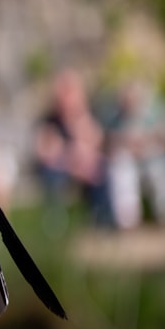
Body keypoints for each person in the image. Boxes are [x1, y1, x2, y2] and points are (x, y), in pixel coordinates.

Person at [34, 69, 110, 225]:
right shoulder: (50, 120)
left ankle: (101, 219)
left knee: (101, 170)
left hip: (85, 169)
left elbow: (95, 144)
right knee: (52, 176)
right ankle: (56, 220)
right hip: (61, 169)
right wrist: (70, 159)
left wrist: (77, 121)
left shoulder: (87, 116)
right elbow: (44, 152)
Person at [105, 80, 165, 229]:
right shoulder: (114, 118)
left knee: (159, 172)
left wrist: (146, 142)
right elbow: (109, 142)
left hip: (152, 160)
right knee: (121, 170)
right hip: (128, 163)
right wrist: (125, 143)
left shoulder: (153, 115)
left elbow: (163, 138)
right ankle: (128, 220)